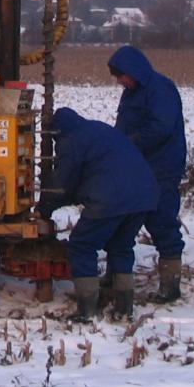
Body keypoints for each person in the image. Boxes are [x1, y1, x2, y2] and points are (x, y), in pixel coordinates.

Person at [37, 107, 159, 321]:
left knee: (82, 245)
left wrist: (44, 209)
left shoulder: (71, 140)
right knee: (121, 245)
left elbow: (62, 183)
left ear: (57, 133)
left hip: (112, 198)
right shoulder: (98, 129)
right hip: (145, 195)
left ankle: (87, 309)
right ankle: (124, 306)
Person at [107, 45, 187, 303]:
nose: (120, 82)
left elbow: (160, 129)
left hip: (161, 168)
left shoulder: (160, 89)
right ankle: (115, 277)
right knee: (120, 221)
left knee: (162, 222)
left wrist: (127, 144)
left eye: (121, 76)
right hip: (137, 167)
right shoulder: (131, 93)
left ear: (134, 71)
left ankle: (170, 284)